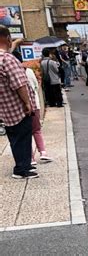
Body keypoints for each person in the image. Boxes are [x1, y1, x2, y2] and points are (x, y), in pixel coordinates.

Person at [0, 25, 38, 179]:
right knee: (23, 137)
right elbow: (19, 83)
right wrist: (27, 103)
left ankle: (21, 166)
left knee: (15, 139)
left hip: (5, 109)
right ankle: (22, 168)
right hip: (18, 107)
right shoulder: (7, 59)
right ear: (7, 38)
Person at [25, 67, 53, 165]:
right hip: (34, 105)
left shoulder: (11, 72)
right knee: (36, 130)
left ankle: (31, 158)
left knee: (25, 133)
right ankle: (43, 152)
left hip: (21, 108)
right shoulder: (28, 71)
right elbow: (36, 86)